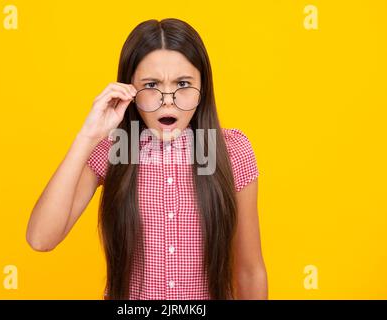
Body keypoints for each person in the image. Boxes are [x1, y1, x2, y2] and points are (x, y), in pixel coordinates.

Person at [26, 18, 267, 300]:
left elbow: (250, 270)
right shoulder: (114, 148)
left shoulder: (232, 150)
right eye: (151, 84)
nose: (167, 99)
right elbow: (41, 238)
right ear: (130, 89)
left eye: (183, 83)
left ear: (203, 89)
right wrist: (88, 134)